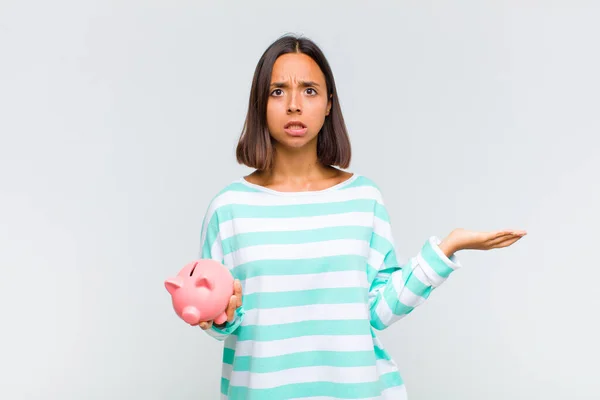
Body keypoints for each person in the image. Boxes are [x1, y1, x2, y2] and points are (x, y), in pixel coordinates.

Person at [195, 34, 526, 400]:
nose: (293, 105)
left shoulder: (363, 197)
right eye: (277, 92)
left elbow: (378, 311)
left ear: (328, 104)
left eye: (309, 91)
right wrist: (217, 315)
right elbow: (220, 322)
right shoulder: (229, 208)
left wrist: (447, 249)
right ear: (260, 104)